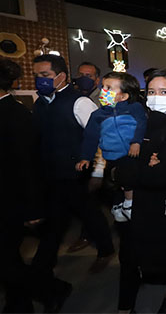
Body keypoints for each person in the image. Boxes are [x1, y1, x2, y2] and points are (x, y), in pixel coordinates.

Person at [112, 69, 166, 314]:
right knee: (128, 257)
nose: (156, 97)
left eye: (164, 92)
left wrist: (129, 170)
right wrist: (130, 168)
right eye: (151, 92)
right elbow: (115, 164)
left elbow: (160, 176)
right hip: (133, 204)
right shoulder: (137, 119)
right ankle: (124, 308)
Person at [31, 54, 115, 278]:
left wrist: (97, 172)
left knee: (90, 215)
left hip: (78, 175)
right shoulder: (40, 103)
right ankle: (43, 268)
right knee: (55, 223)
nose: (40, 80)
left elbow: (99, 139)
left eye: (45, 75)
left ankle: (106, 250)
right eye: (37, 76)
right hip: (53, 175)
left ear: (61, 76)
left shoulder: (80, 102)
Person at [0, 57, 51, 312]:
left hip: (9, 201)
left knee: (4, 259)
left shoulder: (14, 114)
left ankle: (24, 303)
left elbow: (27, 165)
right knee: (5, 259)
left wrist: (32, 209)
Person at [76, 72, 147, 223]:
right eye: (103, 87)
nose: (103, 91)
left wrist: (136, 142)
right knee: (115, 183)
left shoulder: (135, 108)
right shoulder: (97, 115)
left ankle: (129, 203)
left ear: (124, 96)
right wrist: (85, 157)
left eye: (109, 88)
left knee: (128, 176)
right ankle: (119, 204)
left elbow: (142, 125)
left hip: (130, 152)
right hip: (110, 155)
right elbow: (90, 137)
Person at [68, 61, 107, 254]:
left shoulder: (105, 96)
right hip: (84, 157)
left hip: (102, 157)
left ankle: (97, 240)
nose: (84, 78)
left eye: (89, 75)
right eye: (81, 74)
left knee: (92, 201)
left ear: (97, 79)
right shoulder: (75, 97)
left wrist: (100, 168)